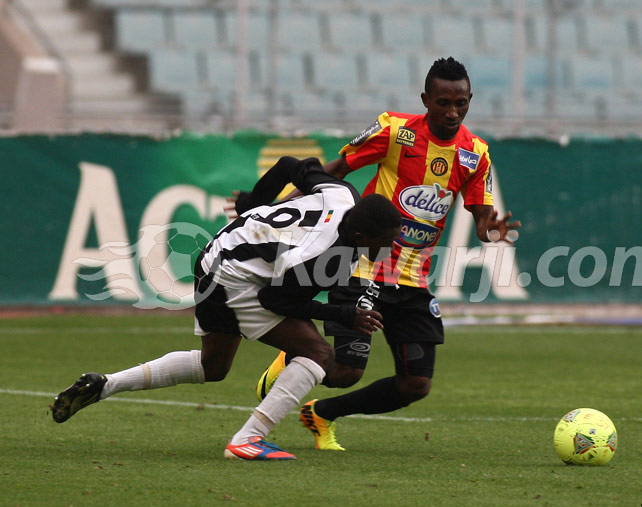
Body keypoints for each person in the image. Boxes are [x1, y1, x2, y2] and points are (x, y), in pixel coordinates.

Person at [50, 156, 401, 461]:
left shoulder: (343, 194)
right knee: (318, 354)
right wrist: (345, 315)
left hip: (220, 254)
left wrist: (255, 202)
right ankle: (248, 439)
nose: (389, 247)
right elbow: (276, 302)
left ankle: (104, 384)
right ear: (359, 237)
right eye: (384, 242)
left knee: (213, 366)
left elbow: (288, 166)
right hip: (237, 278)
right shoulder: (319, 254)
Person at [254, 57, 521, 451]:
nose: (452, 112)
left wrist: (488, 227)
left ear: (470, 100)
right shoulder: (396, 131)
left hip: (414, 280)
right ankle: (292, 356)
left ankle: (322, 413)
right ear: (425, 99)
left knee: (416, 384)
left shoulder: (475, 153)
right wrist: (286, 208)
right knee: (345, 371)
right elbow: (337, 170)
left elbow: (480, 211)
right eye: (443, 102)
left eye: (461, 103)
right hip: (364, 267)